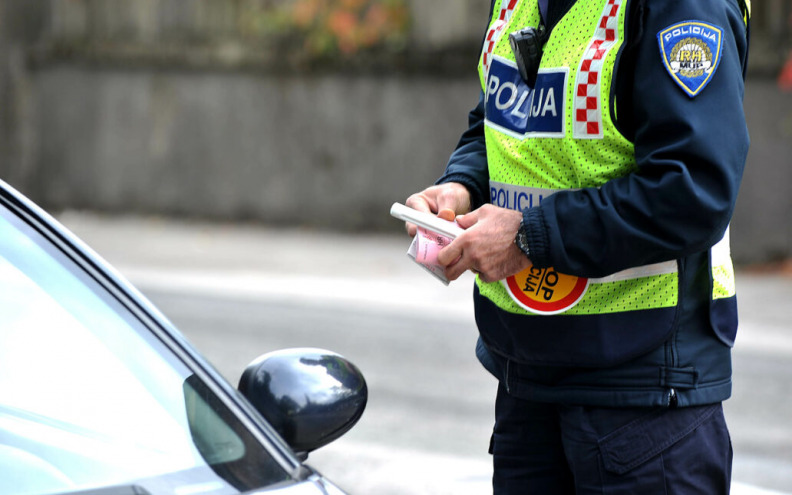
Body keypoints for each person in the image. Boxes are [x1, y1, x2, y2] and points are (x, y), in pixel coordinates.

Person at [404, 0, 751, 493]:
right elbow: (503, 126)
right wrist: (461, 186)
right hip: (527, 382)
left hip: (645, 396)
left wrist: (529, 236)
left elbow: (693, 189)